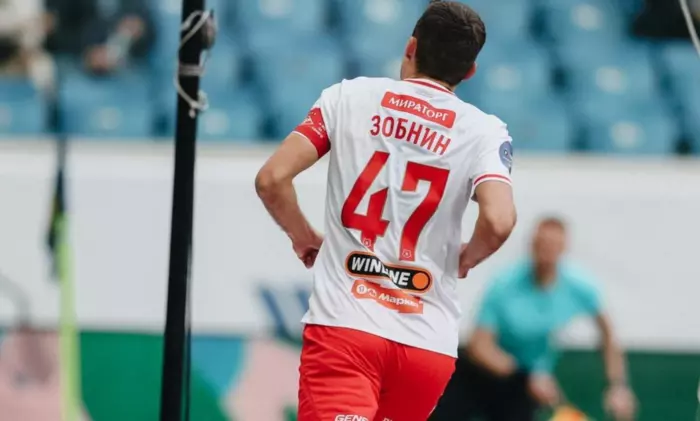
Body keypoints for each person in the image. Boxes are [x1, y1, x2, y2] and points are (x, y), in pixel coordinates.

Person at [255, 1, 517, 420]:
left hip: (346, 328)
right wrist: (467, 257)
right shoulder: (485, 132)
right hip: (427, 345)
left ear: (411, 47)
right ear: (470, 71)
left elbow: (271, 179)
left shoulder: (347, 98)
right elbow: (499, 221)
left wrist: (302, 236)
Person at [429, 217, 637, 421]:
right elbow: (480, 346)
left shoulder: (580, 286)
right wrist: (525, 376)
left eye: (553, 246)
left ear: (564, 248)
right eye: (542, 244)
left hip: (524, 391)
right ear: (531, 245)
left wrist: (617, 386)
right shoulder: (505, 284)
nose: (547, 251)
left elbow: (608, 334)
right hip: (481, 376)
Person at [46, 0, 154, 75]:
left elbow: (144, 24)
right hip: (77, 59)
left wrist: (138, 28)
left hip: (126, 62)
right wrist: (88, 53)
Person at [0, 0, 55, 93]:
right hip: (9, 47)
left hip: (24, 49)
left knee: (43, 66)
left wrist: (27, 50)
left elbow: (37, 28)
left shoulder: (28, 4)